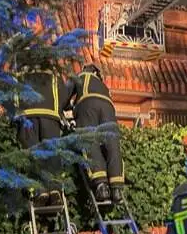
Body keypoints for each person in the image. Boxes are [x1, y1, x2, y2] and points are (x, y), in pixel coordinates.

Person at [58, 63, 125, 204]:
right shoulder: (103, 86)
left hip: (88, 106)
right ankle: (117, 188)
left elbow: (63, 97)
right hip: (108, 108)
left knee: (90, 142)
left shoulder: (80, 76)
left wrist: (66, 110)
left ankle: (102, 187)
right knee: (112, 144)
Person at [13, 67, 68, 206]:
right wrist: (58, 111)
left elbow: (12, 97)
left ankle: (40, 190)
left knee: (32, 152)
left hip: (27, 117)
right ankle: (54, 190)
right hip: (50, 116)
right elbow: (63, 95)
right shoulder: (54, 74)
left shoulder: (19, 74)